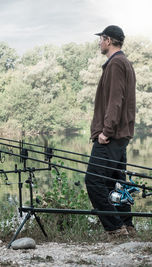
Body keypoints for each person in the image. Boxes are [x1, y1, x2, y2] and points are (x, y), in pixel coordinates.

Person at [84, 25, 136, 237]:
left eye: (101, 39)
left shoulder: (115, 64)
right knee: (116, 183)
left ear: (108, 40)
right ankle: (128, 226)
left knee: (94, 181)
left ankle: (115, 229)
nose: (99, 43)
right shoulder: (124, 63)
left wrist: (106, 131)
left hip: (111, 136)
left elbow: (116, 101)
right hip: (121, 135)